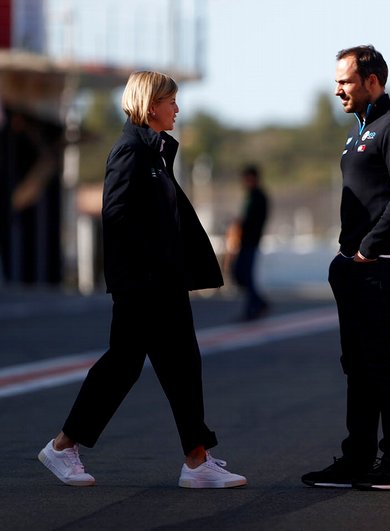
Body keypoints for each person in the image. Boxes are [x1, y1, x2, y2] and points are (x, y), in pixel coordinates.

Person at [37, 71, 246, 489]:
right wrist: (137, 277)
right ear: (151, 105)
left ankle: (196, 460)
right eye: (171, 101)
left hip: (162, 282)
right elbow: (116, 218)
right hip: (143, 285)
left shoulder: (153, 153)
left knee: (181, 365)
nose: (177, 109)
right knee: (123, 366)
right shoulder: (131, 151)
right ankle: (62, 447)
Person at [301, 45, 390, 491]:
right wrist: (346, 259)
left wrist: (368, 249)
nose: (337, 90)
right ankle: (357, 458)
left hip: (383, 263)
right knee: (357, 364)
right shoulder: (360, 132)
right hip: (355, 265)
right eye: (336, 81)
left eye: (346, 81)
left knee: (377, 361)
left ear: (372, 82)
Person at [230, 164, 270, 320]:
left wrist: (242, 225)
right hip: (246, 241)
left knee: (245, 274)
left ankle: (254, 306)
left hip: (250, 241)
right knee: (242, 274)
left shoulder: (258, 196)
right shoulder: (252, 195)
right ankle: (257, 303)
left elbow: (254, 221)